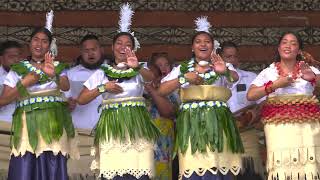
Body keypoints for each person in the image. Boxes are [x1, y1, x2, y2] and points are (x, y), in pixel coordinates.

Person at [77, 3, 160, 179]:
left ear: (133, 48)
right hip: (111, 125)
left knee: (138, 167)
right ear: (113, 47)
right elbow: (81, 99)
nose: (123, 47)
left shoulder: (139, 69)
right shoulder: (102, 72)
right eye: (119, 43)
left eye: (127, 44)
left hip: (137, 125)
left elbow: (151, 77)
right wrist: (103, 88)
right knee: (114, 170)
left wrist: (136, 66)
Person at [158, 16, 243, 180]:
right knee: (194, 165)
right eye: (198, 41)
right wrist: (184, 79)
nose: (203, 44)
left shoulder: (221, 65)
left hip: (218, 123)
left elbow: (235, 78)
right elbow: (161, 90)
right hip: (191, 124)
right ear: (192, 47)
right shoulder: (182, 69)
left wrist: (223, 70)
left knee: (219, 165)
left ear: (213, 46)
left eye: (207, 41)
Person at [0, 23, 79, 180]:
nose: (39, 44)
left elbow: (65, 85)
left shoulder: (56, 66)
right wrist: (24, 83)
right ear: (29, 43)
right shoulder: (17, 69)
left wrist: (52, 75)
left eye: (44, 41)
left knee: (52, 162)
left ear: (49, 45)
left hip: (53, 124)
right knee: (25, 163)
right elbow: (3, 100)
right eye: (36, 39)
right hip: (26, 125)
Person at [247, 32, 320, 180]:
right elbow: (251, 95)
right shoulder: (269, 72)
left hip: (306, 125)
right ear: (279, 48)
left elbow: (318, 84)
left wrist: (313, 79)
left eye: (293, 43)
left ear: (299, 50)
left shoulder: (310, 69)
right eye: (285, 42)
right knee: (282, 166)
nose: (288, 46)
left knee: (308, 164)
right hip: (278, 126)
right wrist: (274, 85)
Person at [219, 41, 265, 180]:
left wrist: (252, 115)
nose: (232, 60)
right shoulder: (212, 78)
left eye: (234, 56)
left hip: (246, 133)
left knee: (250, 174)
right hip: (221, 135)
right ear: (219, 58)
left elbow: (263, 103)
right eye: (228, 57)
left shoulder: (251, 77)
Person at [65, 34, 105, 178]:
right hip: (80, 134)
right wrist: (67, 105)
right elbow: (63, 103)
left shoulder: (111, 72)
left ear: (101, 50)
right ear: (81, 53)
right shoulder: (71, 75)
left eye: (93, 49)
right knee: (78, 173)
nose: (90, 53)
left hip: (107, 135)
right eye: (86, 50)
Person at [0, 40, 22, 178]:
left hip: (21, 131)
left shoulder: (27, 76)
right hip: (1, 131)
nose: (15, 60)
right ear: (1, 58)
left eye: (18, 56)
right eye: (11, 56)